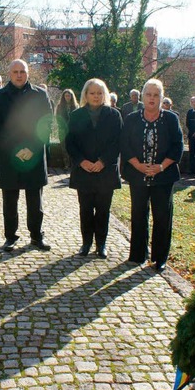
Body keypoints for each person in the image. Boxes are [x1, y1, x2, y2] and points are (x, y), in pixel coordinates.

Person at [120, 78, 183, 271]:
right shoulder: (131, 119)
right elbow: (125, 144)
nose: (152, 99)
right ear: (142, 96)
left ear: (162, 98)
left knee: (162, 216)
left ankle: (160, 258)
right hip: (137, 175)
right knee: (138, 214)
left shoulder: (171, 119)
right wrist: (137, 165)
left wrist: (161, 167)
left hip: (163, 176)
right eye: (148, 94)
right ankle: (138, 254)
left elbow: (177, 146)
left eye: (156, 95)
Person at [0, 59, 53, 252]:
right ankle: (10, 237)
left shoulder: (40, 95)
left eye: (22, 71)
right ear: (10, 74)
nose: (19, 75)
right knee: (10, 200)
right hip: (9, 156)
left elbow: (47, 124)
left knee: (35, 200)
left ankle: (36, 236)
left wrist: (31, 148)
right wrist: (14, 150)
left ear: (28, 73)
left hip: (33, 154)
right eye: (16, 71)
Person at [66, 79, 122, 258]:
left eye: (99, 93)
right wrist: (81, 161)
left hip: (105, 170)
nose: (96, 96)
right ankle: (86, 243)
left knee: (103, 210)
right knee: (86, 209)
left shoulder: (114, 115)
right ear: (85, 95)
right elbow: (70, 142)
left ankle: (101, 244)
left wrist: (103, 161)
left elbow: (118, 142)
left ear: (104, 94)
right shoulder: (76, 115)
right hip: (84, 170)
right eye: (92, 93)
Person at [55, 89, 79, 168]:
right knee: (64, 148)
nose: (67, 97)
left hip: (72, 130)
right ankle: (66, 164)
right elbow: (57, 118)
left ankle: (73, 164)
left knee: (73, 147)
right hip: (62, 129)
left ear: (72, 97)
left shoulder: (76, 106)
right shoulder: (60, 106)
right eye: (66, 96)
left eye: (69, 96)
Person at [185, 96, 195, 176]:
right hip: (191, 135)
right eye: (192, 102)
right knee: (192, 152)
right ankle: (192, 169)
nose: (193, 104)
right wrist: (193, 132)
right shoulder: (190, 112)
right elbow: (188, 123)